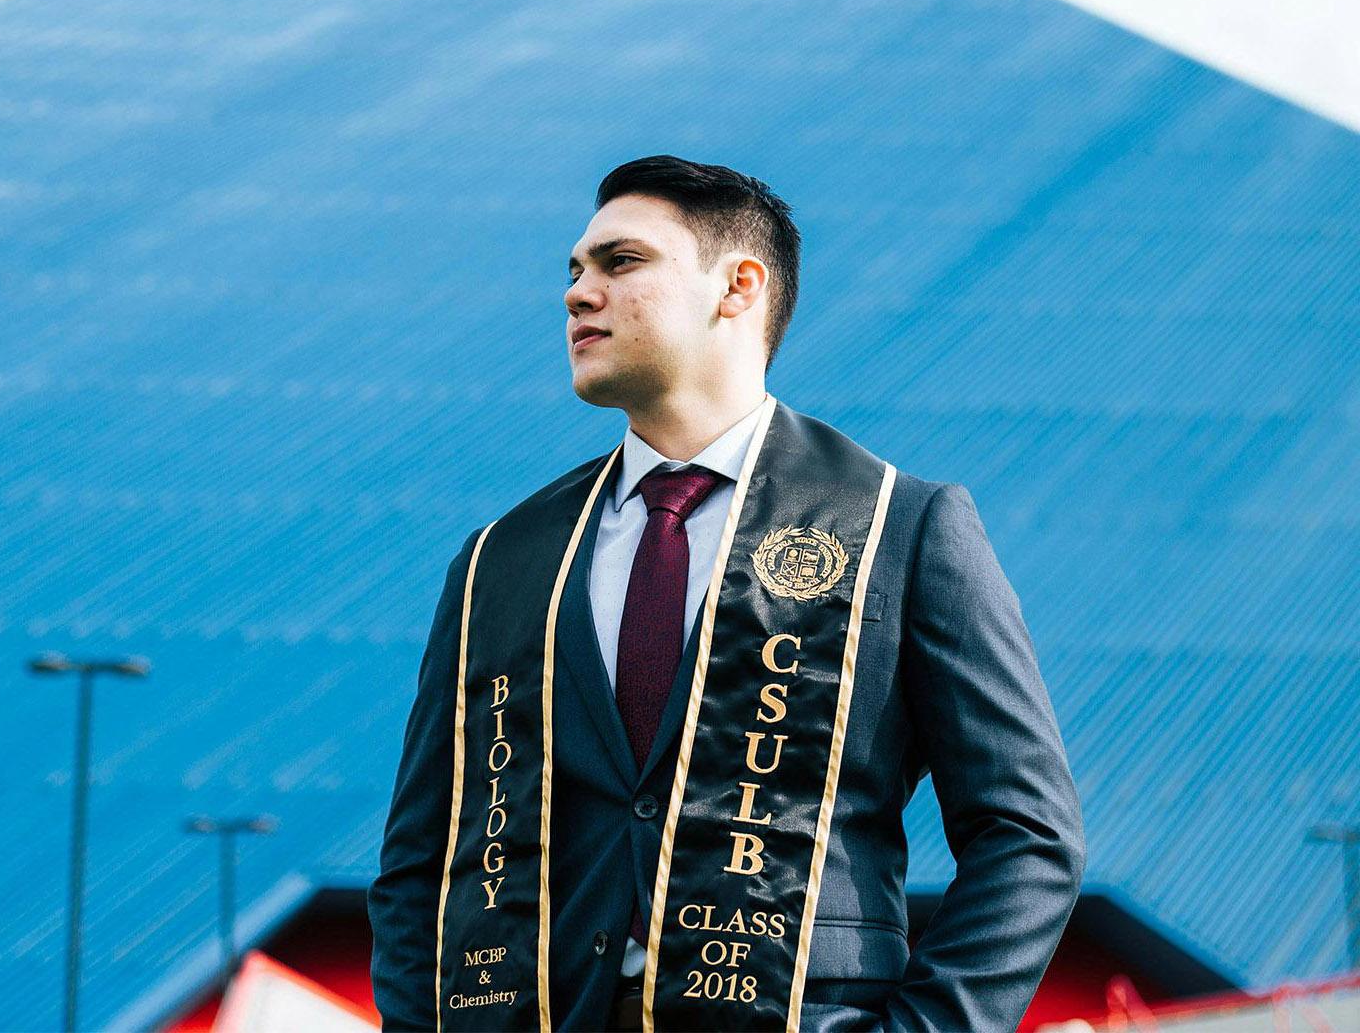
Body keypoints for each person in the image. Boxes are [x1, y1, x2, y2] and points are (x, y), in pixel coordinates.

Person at [366, 156, 1085, 1032]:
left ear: (738, 287)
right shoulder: (501, 559)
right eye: (574, 271)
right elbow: (422, 861)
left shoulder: (900, 528)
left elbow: (1027, 834)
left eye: (620, 262)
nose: (577, 294)